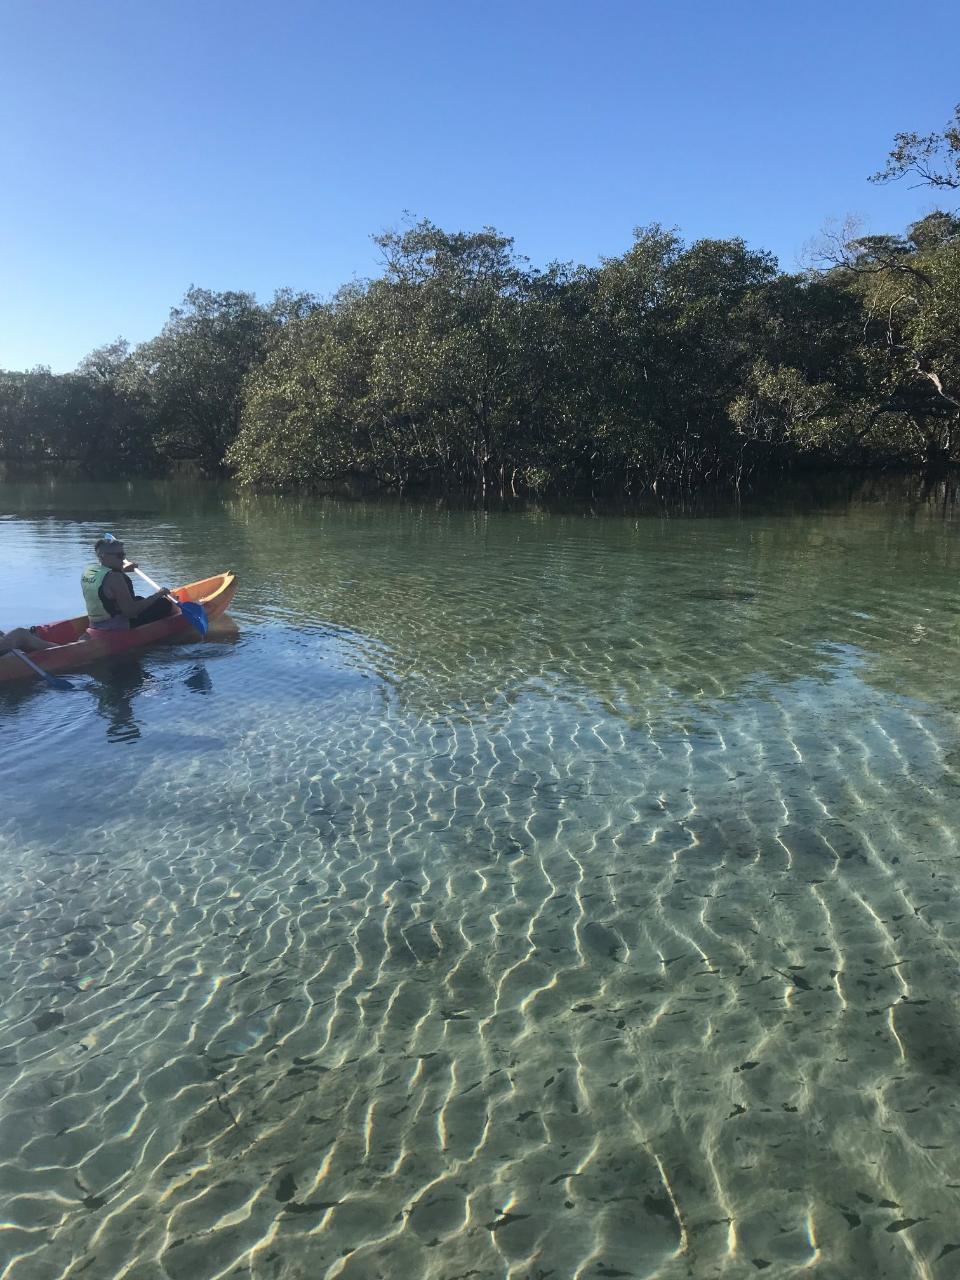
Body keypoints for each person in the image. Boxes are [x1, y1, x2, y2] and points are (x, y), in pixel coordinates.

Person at [81, 538, 180, 632]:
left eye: (123, 554)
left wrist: (122, 570)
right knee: (164, 604)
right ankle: (176, 617)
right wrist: (158, 594)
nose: (123, 559)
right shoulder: (115, 578)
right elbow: (131, 612)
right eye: (119, 555)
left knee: (139, 599)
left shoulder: (89, 571)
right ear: (103, 556)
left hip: (96, 623)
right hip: (118, 626)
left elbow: (105, 583)